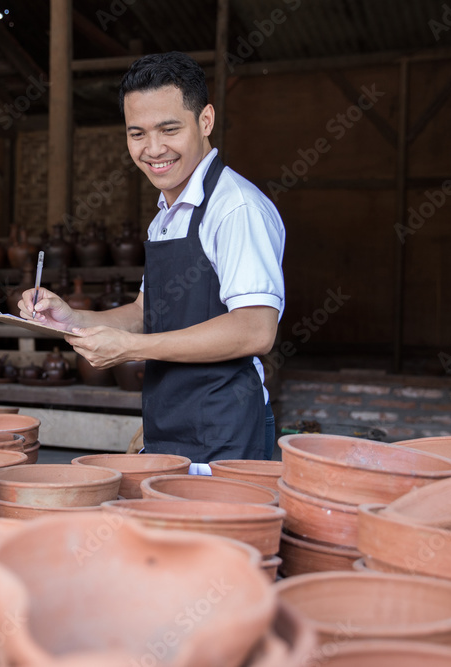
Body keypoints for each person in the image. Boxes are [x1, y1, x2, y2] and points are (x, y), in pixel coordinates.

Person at [19, 52, 285, 468]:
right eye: (137, 133)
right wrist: (71, 318)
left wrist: (130, 349)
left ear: (206, 121)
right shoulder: (166, 214)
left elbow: (255, 329)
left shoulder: (235, 209)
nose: (153, 149)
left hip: (223, 434)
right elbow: (148, 312)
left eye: (169, 129)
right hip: (170, 422)